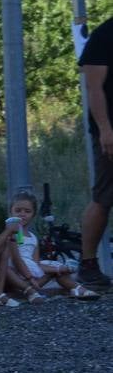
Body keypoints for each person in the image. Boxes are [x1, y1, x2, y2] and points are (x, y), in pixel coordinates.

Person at [4, 190, 99, 302]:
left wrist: (57, 269)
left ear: (33, 214)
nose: (22, 214)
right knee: (8, 268)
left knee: (56, 268)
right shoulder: (12, 233)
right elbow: (16, 259)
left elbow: (36, 263)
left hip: (34, 279)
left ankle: (77, 288)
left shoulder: (33, 238)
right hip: (16, 277)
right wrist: (29, 276)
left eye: (27, 211)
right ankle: (28, 290)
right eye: (18, 210)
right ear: (11, 212)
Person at [77, 17, 113, 290]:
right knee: (104, 196)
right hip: (111, 130)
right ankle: (88, 265)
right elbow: (94, 88)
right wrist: (105, 130)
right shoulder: (104, 35)